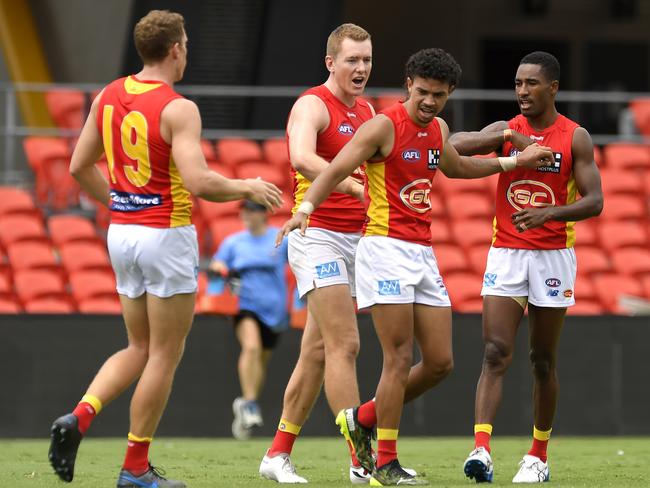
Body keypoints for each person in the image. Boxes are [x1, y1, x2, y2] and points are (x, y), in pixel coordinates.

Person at [279, 47, 554, 486]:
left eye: (440, 95)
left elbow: (457, 166)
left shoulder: (438, 128)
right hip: (384, 248)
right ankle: (385, 462)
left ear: (449, 94)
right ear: (409, 84)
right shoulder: (382, 126)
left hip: (421, 252)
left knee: (441, 362)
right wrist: (306, 207)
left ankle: (361, 417)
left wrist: (512, 162)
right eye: (423, 92)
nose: (430, 102)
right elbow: (334, 169)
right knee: (398, 357)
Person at [47, 10, 282, 488]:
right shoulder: (179, 107)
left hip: (123, 234)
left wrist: (120, 203)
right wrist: (247, 185)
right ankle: (134, 468)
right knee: (164, 355)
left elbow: (77, 166)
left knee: (138, 345)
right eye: (188, 45)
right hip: (166, 234)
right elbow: (198, 182)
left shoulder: (109, 95)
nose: (188, 52)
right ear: (175, 49)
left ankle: (80, 416)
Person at [449, 51, 603, 483]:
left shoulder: (575, 137)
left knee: (541, 360)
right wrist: (508, 145)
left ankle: (538, 455)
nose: (521, 91)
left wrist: (549, 214)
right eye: (517, 83)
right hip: (507, 254)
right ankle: (481, 450)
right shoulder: (507, 130)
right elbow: (453, 148)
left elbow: (595, 201)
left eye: (530, 83)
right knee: (495, 352)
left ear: (552, 88)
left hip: (553, 255)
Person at [258, 23, 375, 484]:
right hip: (316, 233)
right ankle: (359, 459)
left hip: (356, 239)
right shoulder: (312, 104)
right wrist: (345, 181)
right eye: (352, 60)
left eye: (366, 60)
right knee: (346, 343)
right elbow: (302, 156)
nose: (361, 68)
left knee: (317, 351)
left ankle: (277, 453)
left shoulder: (367, 110)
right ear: (331, 63)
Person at [208, 200, 289, 440]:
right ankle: (251, 404)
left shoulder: (279, 238)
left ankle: (244, 403)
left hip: (274, 309)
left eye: (252, 210)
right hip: (245, 305)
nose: (246, 215)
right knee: (251, 348)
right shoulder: (234, 242)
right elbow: (217, 263)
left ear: (264, 213)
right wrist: (220, 268)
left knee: (260, 362)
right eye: (244, 211)